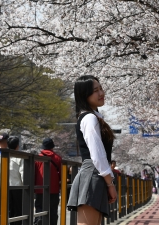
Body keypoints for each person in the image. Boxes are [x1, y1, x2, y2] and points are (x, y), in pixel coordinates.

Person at [67, 75, 117, 225]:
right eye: (95, 90)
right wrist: (110, 184)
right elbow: (97, 155)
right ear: (85, 95)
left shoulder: (92, 117)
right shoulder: (89, 118)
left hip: (95, 175)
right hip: (93, 175)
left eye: (101, 88)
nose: (101, 93)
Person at [0, 136, 24, 225]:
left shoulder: (2, 155)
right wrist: (26, 187)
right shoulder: (20, 156)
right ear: (17, 145)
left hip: (4, 187)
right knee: (18, 211)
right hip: (17, 187)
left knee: (8, 211)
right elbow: (23, 173)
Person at [34, 137, 62, 225]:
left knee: (39, 208)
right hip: (54, 189)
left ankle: (39, 222)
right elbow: (61, 175)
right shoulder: (58, 158)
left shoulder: (37, 158)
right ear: (52, 147)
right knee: (53, 210)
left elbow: (34, 174)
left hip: (40, 189)